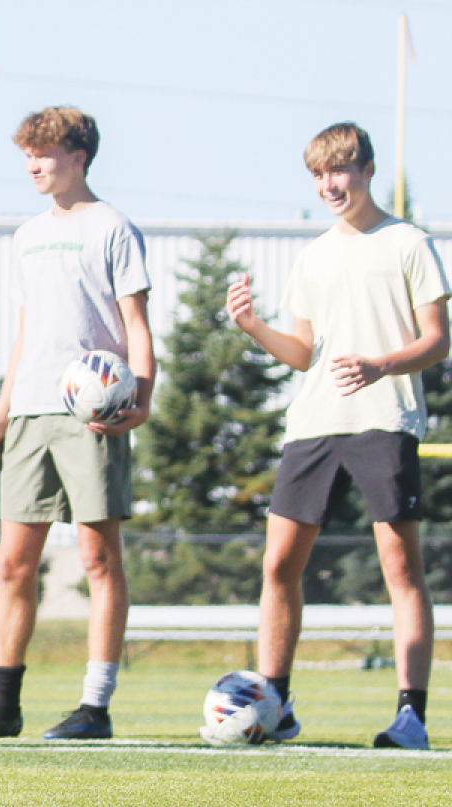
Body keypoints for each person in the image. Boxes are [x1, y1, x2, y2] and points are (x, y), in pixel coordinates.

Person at [0, 106, 155, 740]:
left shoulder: (113, 227)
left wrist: (142, 398)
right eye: (27, 154)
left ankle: (95, 706)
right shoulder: (26, 235)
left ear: (79, 157)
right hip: (30, 411)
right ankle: (2, 707)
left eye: (46, 153)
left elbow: (136, 325)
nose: (34, 164)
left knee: (98, 558)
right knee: (11, 563)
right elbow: (26, 335)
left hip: (93, 414)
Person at [225, 122, 449, 750]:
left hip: (385, 418)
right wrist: (251, 325)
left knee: (401, 566)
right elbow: (301, 354)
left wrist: (382, 365)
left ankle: (411, 716)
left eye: (340, 170)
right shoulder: (314, 255)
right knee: (278, 566)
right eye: (320, 174)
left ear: (367, 170)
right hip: (313, 424)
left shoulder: (408, 243)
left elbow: (439, 338)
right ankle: (277, 705)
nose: (330, 184)